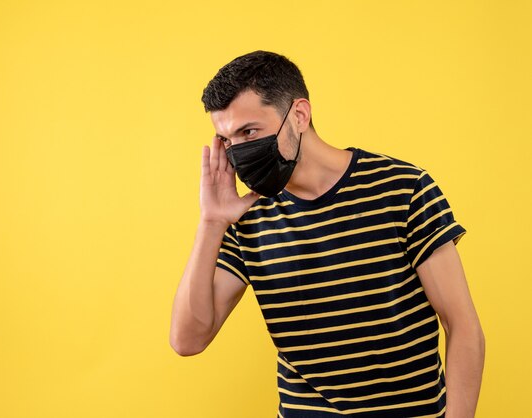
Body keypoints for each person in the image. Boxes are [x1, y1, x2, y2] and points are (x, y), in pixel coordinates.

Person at [169, 50, 485, 417]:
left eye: (249, 131)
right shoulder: (247, 217)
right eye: (227, 140)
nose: (239, 151)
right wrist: (211, 223)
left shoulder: (403, 189)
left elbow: (462, 326)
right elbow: (187, 339)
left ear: (299, 115)